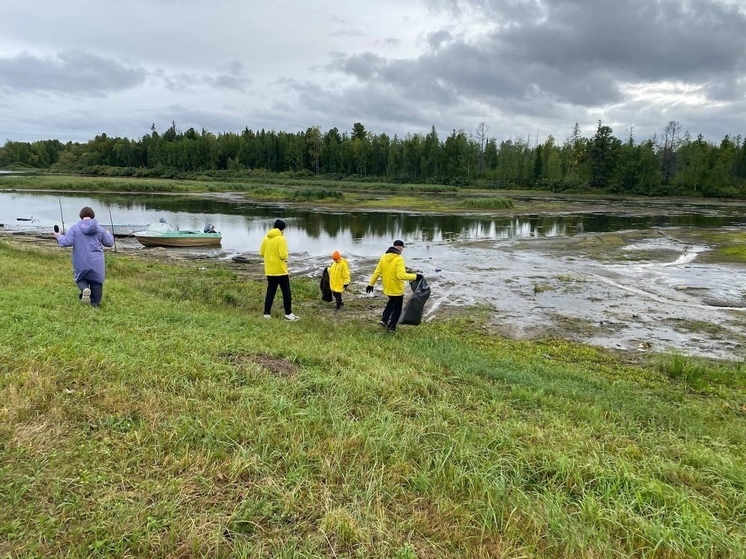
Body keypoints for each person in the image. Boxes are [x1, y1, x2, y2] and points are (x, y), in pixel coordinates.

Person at [53, 206, 115, 307]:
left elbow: (66, 242)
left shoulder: (75, 228)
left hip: (80, 259)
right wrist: (109, 234)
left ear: (81, 216)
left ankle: (85, 289)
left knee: (80, 278)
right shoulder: (100, 229)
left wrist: (58, 236)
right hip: (97, 261)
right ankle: (95, 305)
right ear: (93, 216)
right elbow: (109, 243)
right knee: (97, 282)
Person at [366, 240, 422, 331]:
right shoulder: (399, 258)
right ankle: (392, 327)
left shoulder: (383, 257)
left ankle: (384, 319)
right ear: (400, 247)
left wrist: (371, 284)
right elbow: (401, 276)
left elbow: (377, 272)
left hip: (387, 287)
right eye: (402, 248)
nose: (402, 249)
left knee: (391, 301)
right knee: (397, 309)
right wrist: (416, 276)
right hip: (397, 289)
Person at [259, 219, 299, 321]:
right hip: (280, 270)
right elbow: (283, 256)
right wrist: (286, 253)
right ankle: (288, 314)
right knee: (286, 293)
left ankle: (267, 313)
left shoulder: (266, 238)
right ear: (282, 229)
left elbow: (261, 253)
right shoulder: (281, 239)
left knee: (270, 292)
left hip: (269, 270)